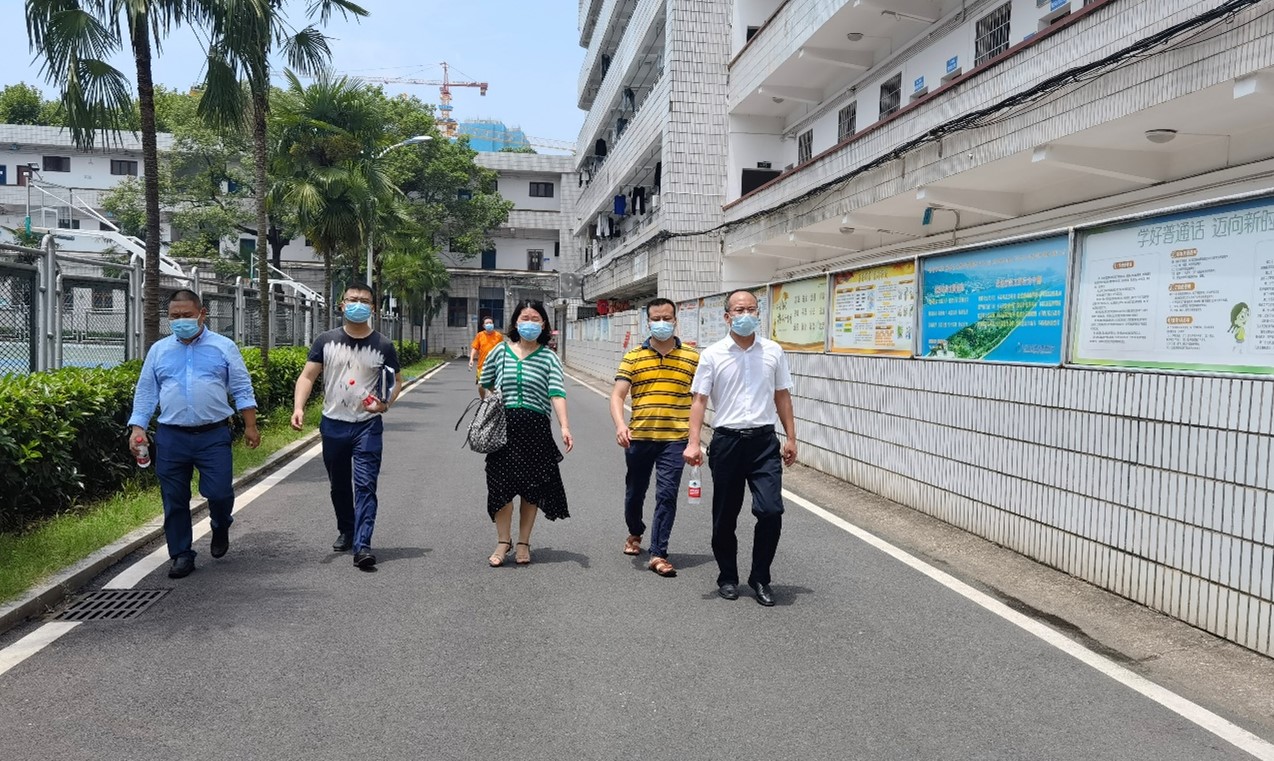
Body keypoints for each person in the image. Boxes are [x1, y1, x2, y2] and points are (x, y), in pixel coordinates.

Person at [128, 289, 260, 579]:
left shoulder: (223, 347)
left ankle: (220, 524)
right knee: (174, 498)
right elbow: (147, 391)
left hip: (213, 435)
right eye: (174, 316)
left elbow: (241, 386)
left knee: (220, 493)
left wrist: (250, 425)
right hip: (171, 436)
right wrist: (138, 427)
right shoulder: (159, 351)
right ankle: (181, 554)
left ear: (202, 314)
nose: (180, 321)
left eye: (186, 315)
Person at [684, 289, 797, 607]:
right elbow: (699, 400)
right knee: (725, 515)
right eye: (738, 310)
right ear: (727, 316)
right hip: (727, 442)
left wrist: (791, 437)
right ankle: (728, 577)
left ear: (758, 313)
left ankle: (760, 577)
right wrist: (693, 442)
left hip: (763, 442)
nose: (745, 315)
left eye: (751, 309)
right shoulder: (713, 354)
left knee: (771, 510)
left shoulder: (773, 351)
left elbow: (782, 395)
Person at [291, 283, 402, 570]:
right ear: (342, 305)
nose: (358, 304)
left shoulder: (383, 345)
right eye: (353, 299)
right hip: (333, 424)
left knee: (365, 485)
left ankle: (362, 545)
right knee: (339, 484)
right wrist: (299, 407)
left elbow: (396, 381)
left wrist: (384, 404)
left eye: (364, 301)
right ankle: (347, 529)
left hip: (367, 425)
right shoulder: (325, 341)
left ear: (373, 308)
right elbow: (307, 376)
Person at [480, 300, 573, 567]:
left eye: (535, 319)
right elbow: (484, 383)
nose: (529, 323)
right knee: (500, 486)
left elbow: (557, 393)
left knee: (530, 489)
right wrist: (490, 404)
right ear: (515, 322)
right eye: (525, 318)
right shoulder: (500, 351)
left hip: (536, 431)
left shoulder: (549, 357)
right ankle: (503, 541)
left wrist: (564, 426)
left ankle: (523, 542)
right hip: (503, 429)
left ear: (543, 324)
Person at [610, 298, 699, 577]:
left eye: (667, 318)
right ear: (648, 322)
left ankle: (658, 553)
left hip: (675, 439)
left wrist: (695, 440)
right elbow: (618, 395)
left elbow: (700, 400)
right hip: (639, 437)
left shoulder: (693, 358)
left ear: (675, 320)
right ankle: (635, 530)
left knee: (667, 495)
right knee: (635, 493)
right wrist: (620, 425)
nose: (662, 323)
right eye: (656, 319)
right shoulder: (634, 357)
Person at [469, 316, 504, 398]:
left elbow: (502, 349)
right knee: (481, 385)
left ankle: (494, 399)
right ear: (484, 326)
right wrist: (471, 359)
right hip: (482, 365)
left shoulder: (498, 336)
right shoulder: (480, 335)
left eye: (490, 323)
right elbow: (475, 348)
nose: (489, 324)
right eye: (487, 323)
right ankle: (483, 399)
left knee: (494, 385)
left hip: (495, 365)